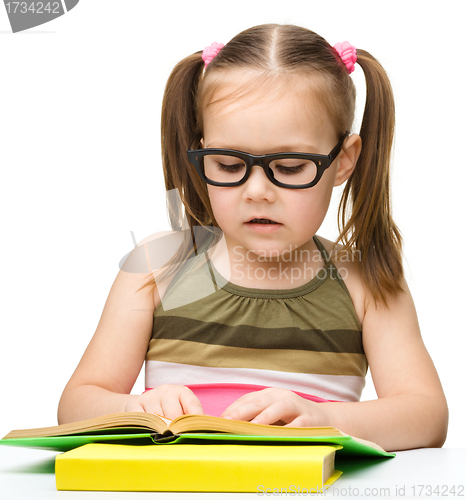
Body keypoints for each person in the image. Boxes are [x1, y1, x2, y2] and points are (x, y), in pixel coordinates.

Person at [57, 24, 448, 451]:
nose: (257, 191)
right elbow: (76, 403)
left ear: (343, 161)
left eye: (290, 167)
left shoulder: (362, 280)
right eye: (227, 165)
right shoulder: (156, 266)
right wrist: (138, 410)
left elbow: (426, 416)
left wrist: (325, 418)